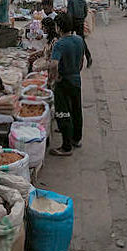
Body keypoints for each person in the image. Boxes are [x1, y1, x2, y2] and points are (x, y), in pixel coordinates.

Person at [49, 12, 85, 156]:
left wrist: (54, 77)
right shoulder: (79, 40)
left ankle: (66, 146)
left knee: (62, 112)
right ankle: (76, 138)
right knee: (76, 109)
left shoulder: (60, 44)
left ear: (58, 27)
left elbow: (53, 64)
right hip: (76, 79)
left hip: (64, 81)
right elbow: (82, 61)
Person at [67, 0, 92, 68]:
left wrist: (69, 23)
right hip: (80, 21)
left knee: (68, 39)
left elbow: (70, 14)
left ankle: (75, 59)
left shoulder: (71, 0)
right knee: (81, 40)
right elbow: (86, 12)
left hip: (73, 21)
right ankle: (87, 56)